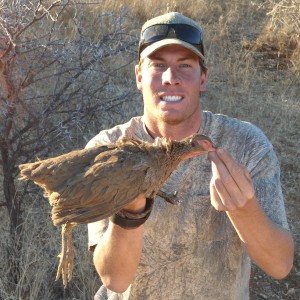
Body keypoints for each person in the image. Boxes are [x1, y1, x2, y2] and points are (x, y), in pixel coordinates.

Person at [86, 12, 294, 300]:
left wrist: (244, 208)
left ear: (203, 79)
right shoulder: (107, 151)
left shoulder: (246, 145)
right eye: (158, 65)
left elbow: (280, 264)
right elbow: (115, 280)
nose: (171, 78)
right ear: (139, 77)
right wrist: (131, 211)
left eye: (185, 65)